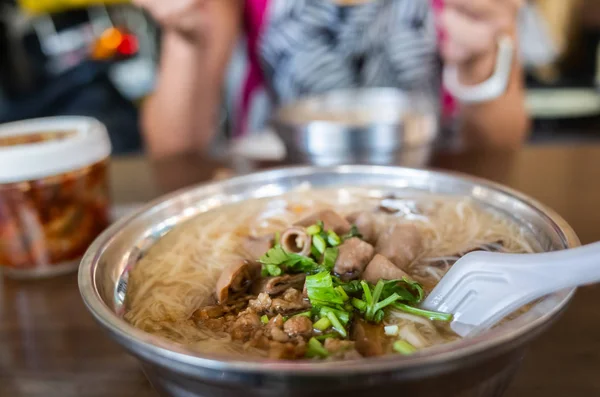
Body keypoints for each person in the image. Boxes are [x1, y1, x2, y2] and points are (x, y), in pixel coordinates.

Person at [134, 0, 529, 158]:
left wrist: (482, 56)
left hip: (428, 177)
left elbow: (502, 142)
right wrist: (186, 35)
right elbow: (175, 150)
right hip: (276, 185)